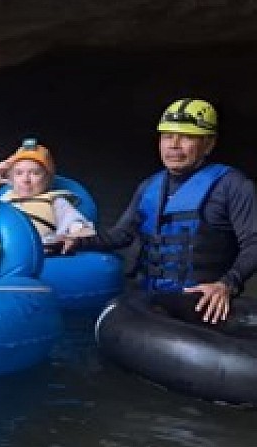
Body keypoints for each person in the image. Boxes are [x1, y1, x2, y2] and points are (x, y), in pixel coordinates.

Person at [62, 98, 257, 323]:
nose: (174, 145)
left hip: (199, 304)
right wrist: (78, 242)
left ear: (209, 143)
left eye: (186, 137)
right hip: (150, 301)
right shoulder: (149, 186)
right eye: (167, 136)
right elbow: (121, 235)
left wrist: (227, 284)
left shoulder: (233, 186)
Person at [0, 138, 95, 244]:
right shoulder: (3, 200)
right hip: (4, 251)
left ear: (48, 179)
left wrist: (72, 238)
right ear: (11, 178)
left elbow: (81, 229)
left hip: (41, 253)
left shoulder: (56, 203)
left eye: (35, 173)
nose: (25, 180)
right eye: (19, 173)